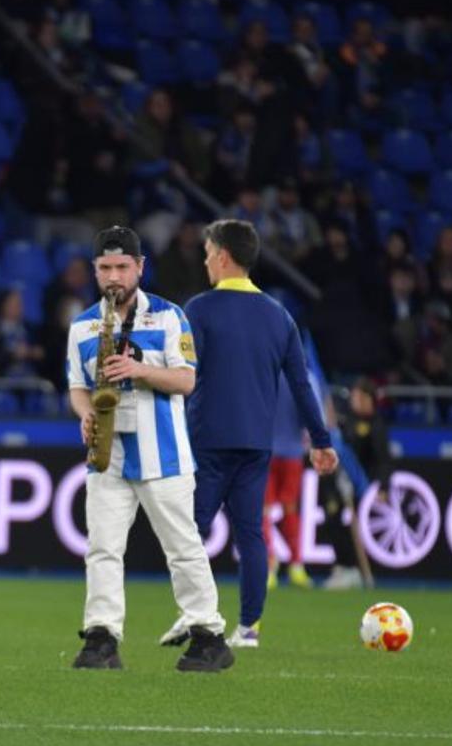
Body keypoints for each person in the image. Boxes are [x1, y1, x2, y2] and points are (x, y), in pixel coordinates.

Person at [66, 226, 232, 672]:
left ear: (140, 267)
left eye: (122, 267)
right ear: (95, 271)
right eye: (105, 268)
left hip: (165, 454)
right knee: (101, 547)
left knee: (182, 546)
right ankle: (101, 637)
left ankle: (208, 634)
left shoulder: (170, 316)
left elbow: (187, 380)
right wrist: (84, 413)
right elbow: (77, 388)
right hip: (108, 452)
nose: (114, 276)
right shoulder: (82, 325)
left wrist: (137, 370)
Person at [173, 219, 337, 650]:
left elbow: (185, 376)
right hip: (256, 443)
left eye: (209, 253)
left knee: (190, 531)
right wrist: (321, 441)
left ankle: (196, 615)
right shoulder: (279, 316)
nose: (206, 260)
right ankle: (248, 629)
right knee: (251, 533)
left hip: (208, 440)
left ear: (224, 256)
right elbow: (303, 386)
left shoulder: (200, 309)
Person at [325, 377, 390, 589]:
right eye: (354, 395)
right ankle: (342, 566)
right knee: (333, 519)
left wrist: (382, 486)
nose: (356, 400)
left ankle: (355, 568)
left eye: (361, 396)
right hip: (338, 482)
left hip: (363, 487)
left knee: (354, 525)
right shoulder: (344, 422)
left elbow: (382, 459)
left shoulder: (376, 426)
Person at [263, 371, 312, 590]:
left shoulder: (263, 371)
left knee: (264, 511)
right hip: (291, 451)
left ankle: (270, 567)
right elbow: (310, 412)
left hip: (266, 451)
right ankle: (296, 565)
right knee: (289, 509)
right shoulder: (302, 375)